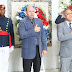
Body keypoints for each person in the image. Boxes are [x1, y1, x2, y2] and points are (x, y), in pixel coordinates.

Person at [19, 6, 47, 72]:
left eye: (33, 11)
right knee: (27, 70)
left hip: (38, 50)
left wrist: (44, 48)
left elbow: (43, 35)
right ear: (26, 12)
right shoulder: (22, 22)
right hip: (27, 51)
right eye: (30, 11)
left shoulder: (39, 21)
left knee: (37, 69)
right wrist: (33, 30)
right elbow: (22, 35)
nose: (32, 13)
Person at [0, 5, 14, 72]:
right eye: (0, 10)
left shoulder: (9, 20)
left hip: (6, 44)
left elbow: (12, 33)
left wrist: (12, 45)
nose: (2, 11)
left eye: (3, 10)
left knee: (6, 61)